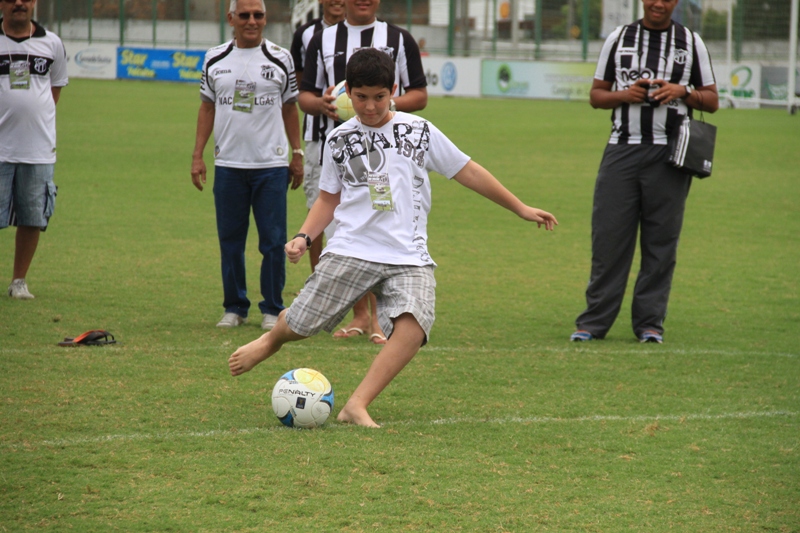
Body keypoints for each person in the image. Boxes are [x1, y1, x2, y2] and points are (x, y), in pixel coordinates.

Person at [228, 48, 558, 428]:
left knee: (416, 325)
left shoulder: (419, 131)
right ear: (347, 92)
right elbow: (328, 198)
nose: (370, 107)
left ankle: (357, 405)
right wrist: (304, 236)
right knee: (302, 324)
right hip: (352, 248)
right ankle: (271, 342)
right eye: (362, 97)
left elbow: (467, 170)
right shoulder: (338, 139)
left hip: (409, 254)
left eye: (379, 97)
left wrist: (519, 207)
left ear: (393, 91)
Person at [570, 0, 718, 344]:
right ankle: (593, 323)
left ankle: (650, 324)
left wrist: (682, 91)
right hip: (622, 150)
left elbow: (712, 100)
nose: (658, 3)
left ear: (675, 2)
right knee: (609, 239)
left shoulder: (691, 41)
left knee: (661, 243)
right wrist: (626, 94)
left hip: (670, 154)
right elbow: (596, 95)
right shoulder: (619, 38)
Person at [298, 0, 428, 344]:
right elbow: (304, 95)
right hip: (329, 145)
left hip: (386, 151)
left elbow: (420, 94)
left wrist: (381, 106)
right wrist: (325, 105)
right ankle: (352, 312)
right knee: (334, 223)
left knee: (378, 223)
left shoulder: (399, 39)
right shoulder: (320, 38)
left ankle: (378, 320)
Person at [191, 0, 304, 330]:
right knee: (230, 240)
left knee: (272, 241)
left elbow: (290, 109)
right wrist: (198, 155)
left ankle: (272, 308)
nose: (252, 21)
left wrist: (296, 154)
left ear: (266, 18)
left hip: (271, 166)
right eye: (245, 15)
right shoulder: (214, 58)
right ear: (231, 18)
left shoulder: (280, 58)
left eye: (258, 15)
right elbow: (206, 108)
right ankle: (235, 307)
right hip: (228, 165)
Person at [1, 0, 68, 300]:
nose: (19, 3)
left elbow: (54, 90)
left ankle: (19, 281)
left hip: (37, 149)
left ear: (34, 4)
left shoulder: (52, 44)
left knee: (32, 218)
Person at [289, 0, 346, 274]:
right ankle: (319, 283)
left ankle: (366, 308)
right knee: (318, 212)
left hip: (364, 141)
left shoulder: (376, 35)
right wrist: (318, 103)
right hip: (318, 138)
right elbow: (302, 89)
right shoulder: (305, 35)